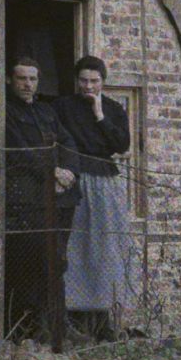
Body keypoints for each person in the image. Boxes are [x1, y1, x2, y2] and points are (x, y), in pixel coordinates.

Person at [55, 55, 135, 339]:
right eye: (84, 81)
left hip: (106, 182)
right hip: (79, 178)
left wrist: (100, 115)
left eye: (95, 81)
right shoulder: (63, 106)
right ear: (76, 81)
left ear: (103, 82)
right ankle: (74, 318)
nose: (89, 86)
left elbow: (121, 144)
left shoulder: (112, 109)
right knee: (78, 246)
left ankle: (104, 320)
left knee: (106, 246)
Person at [2, 58, 81, 343]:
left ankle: (57, 325)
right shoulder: (6, 111)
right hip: (29, 199)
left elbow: (67, 142)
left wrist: (69, 171)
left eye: (32, 79)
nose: (27, 85)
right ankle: (27, 328)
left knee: (57, 261)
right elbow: (18, 150)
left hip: (59, 199)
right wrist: (51, 172)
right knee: (32, 262)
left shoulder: (47, 111)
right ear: (10, 80)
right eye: (22, 79)